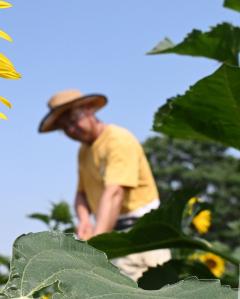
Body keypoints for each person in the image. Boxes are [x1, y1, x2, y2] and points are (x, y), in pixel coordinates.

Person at [38, 89, 171, 280]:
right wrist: (84, 220)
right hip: (115, 236)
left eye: (73, 121)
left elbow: (115, 194)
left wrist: (95, 247)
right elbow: (81, 194)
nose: (71, 130)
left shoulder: (118, 140)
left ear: (89, 109)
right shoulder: (84, 151)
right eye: (64, 127)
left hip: (139, 238)